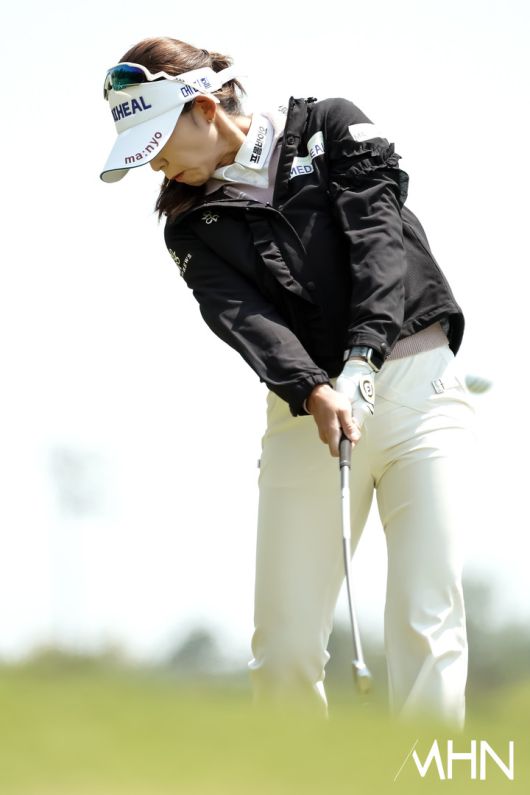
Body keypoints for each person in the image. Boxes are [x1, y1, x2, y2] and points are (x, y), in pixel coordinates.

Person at [100, 36, 477, 728]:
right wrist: (312, 386)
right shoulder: (190, 225)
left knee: (427, 618)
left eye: (157, 141)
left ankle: (431, 776)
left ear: (205, 109)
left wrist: (363, 358)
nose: (153, 162)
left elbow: (377, 240)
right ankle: (294, 773)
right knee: (284, 648)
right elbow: (243, 318)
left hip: (419, 393)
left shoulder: (330, 127)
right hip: (310, 416)